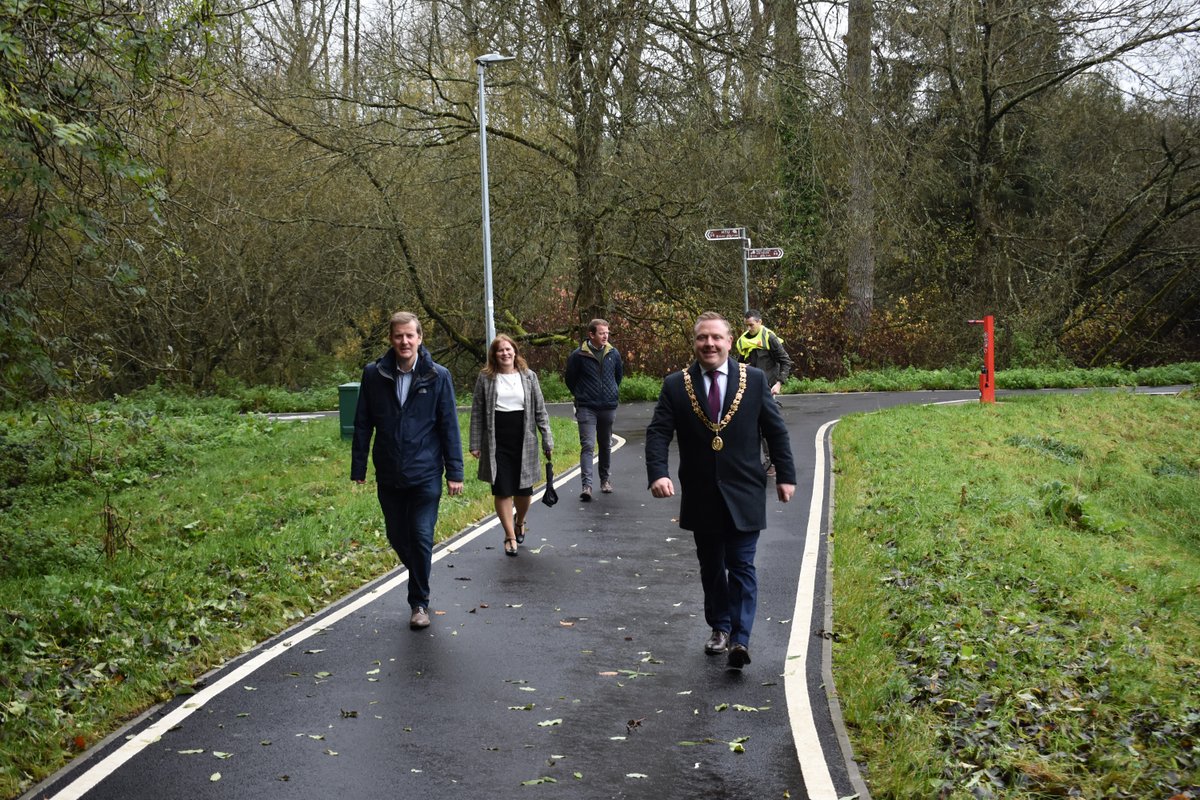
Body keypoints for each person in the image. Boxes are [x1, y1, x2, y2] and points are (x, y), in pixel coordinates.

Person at [645, 311, 796, 671]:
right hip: (700, 494)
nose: (709, 344)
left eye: (716, 337)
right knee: (712, 566)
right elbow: (658, 433)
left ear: (730, 342)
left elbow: (776, 431)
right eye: (702, 338)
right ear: (694, 343)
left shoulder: (755, 380)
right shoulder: (675, 385)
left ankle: (741, 639)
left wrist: (786, 476)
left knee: (742, 564)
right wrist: (658, 473)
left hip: (745, 490)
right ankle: (720, 627)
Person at [351, 311, 465, 630]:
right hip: (389, 473)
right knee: (397, 535)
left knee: (420, 535)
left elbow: (449, 426)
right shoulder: (374, 375)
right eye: (399, 336)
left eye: (410, 336)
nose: (404, 341)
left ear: (420, 338)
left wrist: (455, 471)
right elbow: (363, 424)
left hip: (426, 473)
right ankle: (419, 576)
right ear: (391, 339)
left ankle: (419, 602)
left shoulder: (437, 375)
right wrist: (358, 466)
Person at [469, 335, 554, 557]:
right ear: (493, 355)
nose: (505, 353)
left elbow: (540, 411)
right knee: (502, 489)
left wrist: (547, 438)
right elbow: (477, 412)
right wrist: (475, 443)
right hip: (496, 441)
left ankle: (520, 520)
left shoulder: (529, 377)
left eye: (508, 349)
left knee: (524, 491)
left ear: (515, 352)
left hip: (524, 439)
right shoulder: (485, 378)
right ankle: (509, 535)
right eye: (500, 350)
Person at [564, 318, 623, 501]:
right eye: (601, 333)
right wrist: (582, 394)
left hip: (608, 406)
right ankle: (586, 486)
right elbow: (570, 379)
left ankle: (605, 480)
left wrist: (610, 392)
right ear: (591, 334)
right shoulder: (578, 355)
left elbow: (618, 376)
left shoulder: (614, 354)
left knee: (605, 444)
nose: (605, 336)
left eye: (607, 333)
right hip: (587, 407)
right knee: (588, 445)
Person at [735, 309, 794, 476]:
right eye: (746, 326)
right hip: (749, 388)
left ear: (759, 322)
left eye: (751, 325)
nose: (748, 329)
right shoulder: (742, 341)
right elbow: (740, 363)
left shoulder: (769, 338)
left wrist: (779, 383)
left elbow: (785, 361)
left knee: (768, 427)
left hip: (768, 388)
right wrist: (740, 367)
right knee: (751, 427)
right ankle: (756, 461)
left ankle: (774, 463)